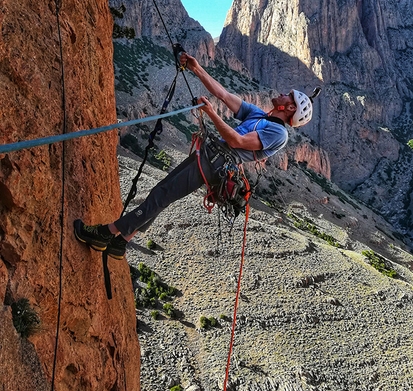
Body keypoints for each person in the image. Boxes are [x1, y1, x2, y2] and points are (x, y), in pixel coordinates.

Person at [74, 52, 317, 260]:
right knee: (162, 193)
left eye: (288, 96)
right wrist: (196, 68)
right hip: (211, 157)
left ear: (291, 108)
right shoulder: (261, 117)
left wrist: (211, 113)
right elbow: (223, 94)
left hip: (217, 163)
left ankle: (106, 234)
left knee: (162, 194)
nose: (283, 94)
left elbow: (238, 141)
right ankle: (122, 241)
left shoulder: (277, 133)